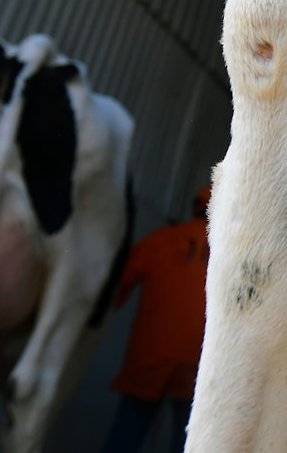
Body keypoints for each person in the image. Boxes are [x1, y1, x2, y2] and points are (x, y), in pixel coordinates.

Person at [101, 186, 211, 453]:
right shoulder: (228, 256)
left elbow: (116, 291)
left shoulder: (160, 240)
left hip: (149, 357)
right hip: (196, 363)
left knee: (127, 435)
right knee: (187, 443)